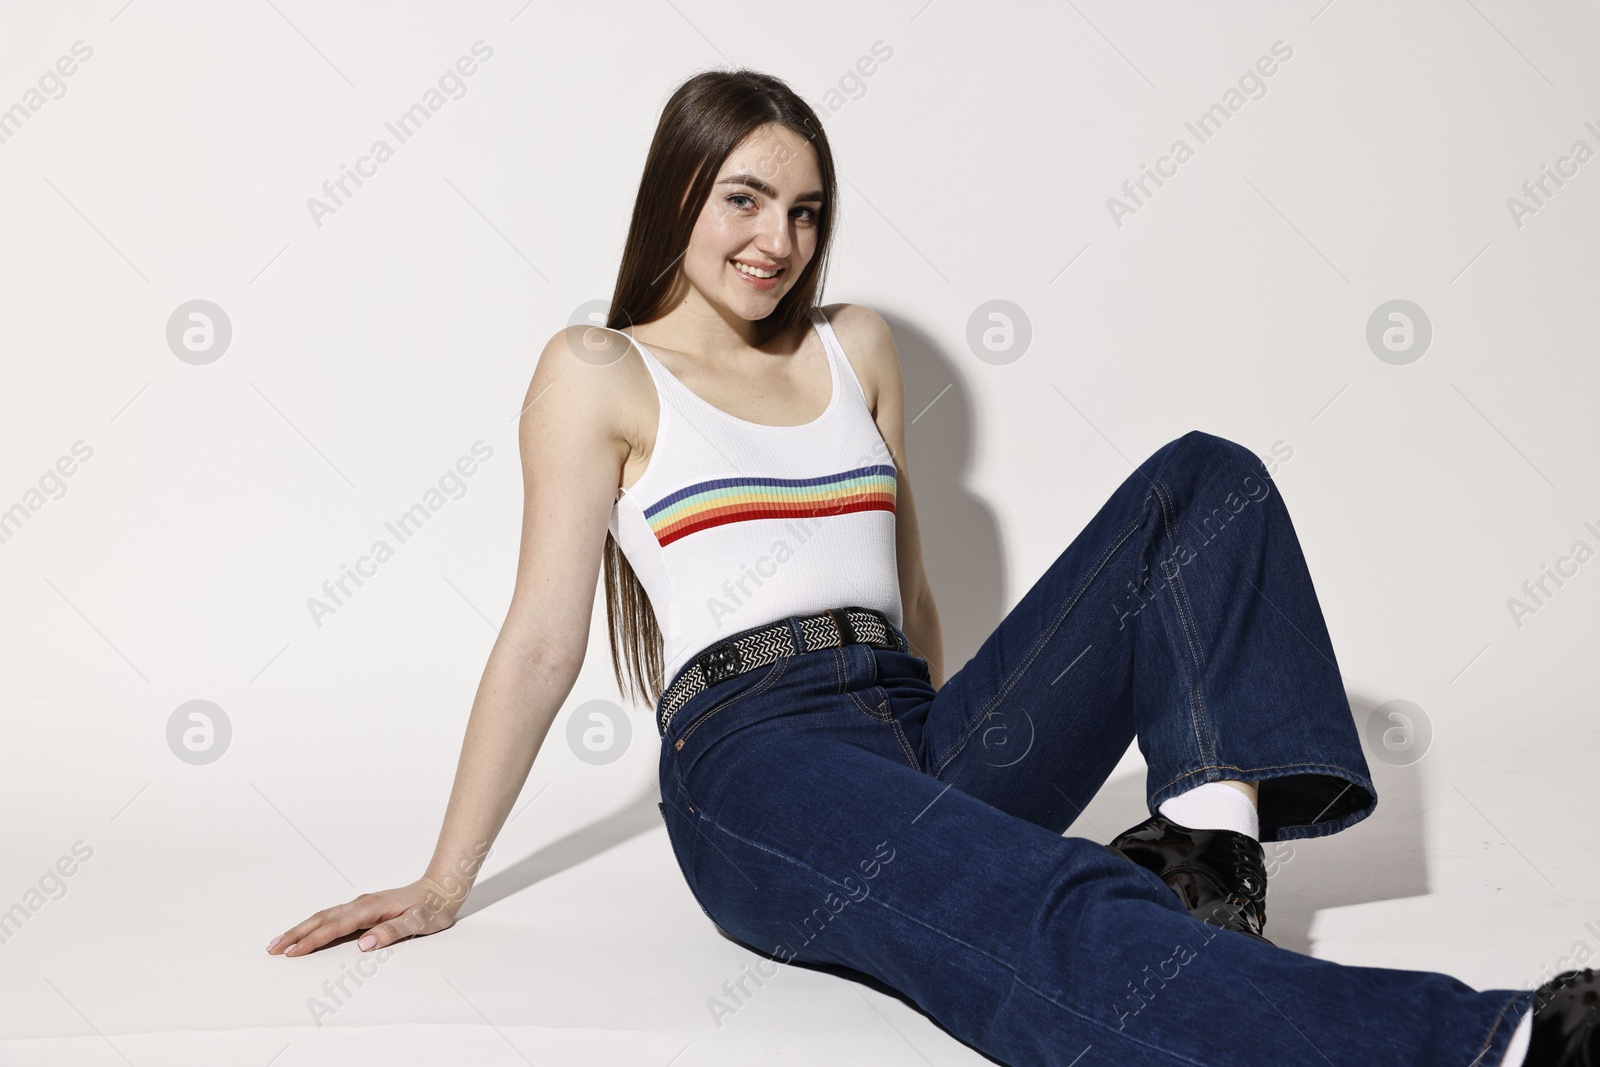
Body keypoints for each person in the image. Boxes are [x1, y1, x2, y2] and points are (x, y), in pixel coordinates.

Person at [266, 68, 1598, 1066]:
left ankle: (1210, 859)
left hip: (908, 725)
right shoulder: (598, 371)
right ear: (678, 190)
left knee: (1208, 478)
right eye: (743, 199)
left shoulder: (857, 348)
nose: (774, 241)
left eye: (802, 211)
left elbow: (912, 599)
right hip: (755, 764)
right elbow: (544, 638)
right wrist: (445, 881)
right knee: (1049, 895)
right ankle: (1491, 1047)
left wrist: (953, 780)